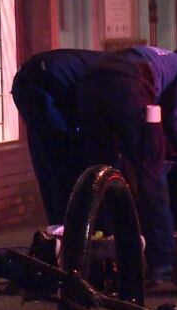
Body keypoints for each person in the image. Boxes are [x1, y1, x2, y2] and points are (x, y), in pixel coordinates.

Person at [77, 45, 177, 282]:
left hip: (90, 85)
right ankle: (162, 262)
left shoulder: (158, 58)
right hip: (130, 85)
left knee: (101, 177)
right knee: (151, 177)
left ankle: (100, 257)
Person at [11, 49, 107, 225]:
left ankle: (61, 227)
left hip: (33, 83)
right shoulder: (118, 75)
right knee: (62, 160)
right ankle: (67, 230)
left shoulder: (112, 66)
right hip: (42, 85)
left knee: (50, 161)